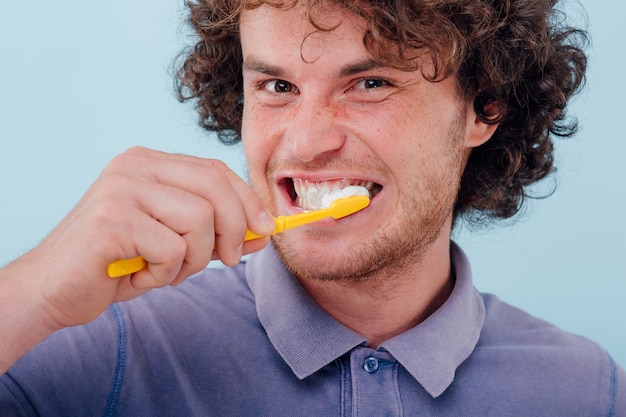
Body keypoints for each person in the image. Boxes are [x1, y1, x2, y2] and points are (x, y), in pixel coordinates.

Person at [1, 0, 624, 414]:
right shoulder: (100, 345)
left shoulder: (586, 391)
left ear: (482, 109)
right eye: (277, 87)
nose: (305, 142)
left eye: (370, 84)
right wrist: (32, 293)